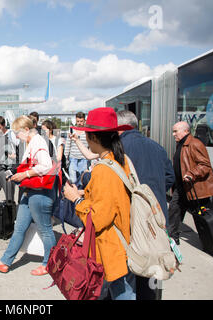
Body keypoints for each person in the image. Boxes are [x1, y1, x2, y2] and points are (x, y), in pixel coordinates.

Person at [63, 107, 136, 300]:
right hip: (124, 242)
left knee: (109, 292)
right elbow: (113, 197)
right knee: (123, 290)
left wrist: (76, 199)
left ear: (94, 138)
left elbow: (97, 219)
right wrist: (85, 193)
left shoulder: (103, 170)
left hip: (109, 247)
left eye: (87, 135)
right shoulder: (120, 160)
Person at [0, 115, 56, 276]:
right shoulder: (32, 141)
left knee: (45, 230)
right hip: (31, 191)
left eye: (18, 133)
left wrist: (24, 175)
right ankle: (5, 261)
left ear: (26, 129)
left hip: (40, 193)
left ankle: (49, 263)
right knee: (19, 228)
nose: (16, 136)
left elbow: (47, 165)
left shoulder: (38, 142)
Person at [116, 110, 175, 300]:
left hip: (134, 219)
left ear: (120, 128)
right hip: (157, 218)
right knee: (153, 269)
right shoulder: (157, 147)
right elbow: (170, 177)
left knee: (133, 267)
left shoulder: (118, 148)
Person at [168, 121, 213, 245]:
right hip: (181, 188)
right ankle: (172, 240)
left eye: (175, 131)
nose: (173, 134)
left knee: (202, 218)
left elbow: (205, 165)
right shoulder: (181, 144)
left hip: (194, 189)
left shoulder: (194, 144)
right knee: (174, 212)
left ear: (186, 131)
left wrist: (191, 174)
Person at [64, 112, 89, 187]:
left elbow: (90, 145)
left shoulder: (87, 131)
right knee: (73, 180)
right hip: (73, 158)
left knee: (82, 180)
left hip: (84, 158)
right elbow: (68, 144)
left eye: (81, 121)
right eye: (78, 121)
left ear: (84, 120)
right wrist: (66, 156)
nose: (79, 123)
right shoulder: (72, 130)